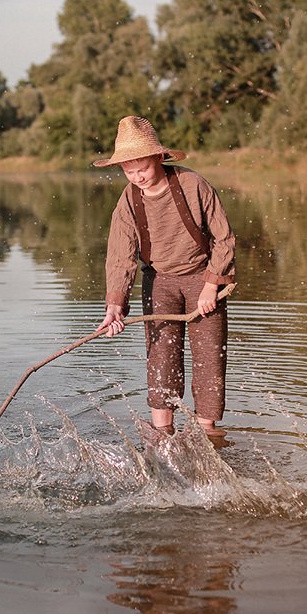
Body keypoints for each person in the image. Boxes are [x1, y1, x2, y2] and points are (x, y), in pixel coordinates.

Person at [94, 116, 236, 438]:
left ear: (160, 157)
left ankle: (208, 436)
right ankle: (162, 434)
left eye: (141, 167)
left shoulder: (192, 184)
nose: (136, 176)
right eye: (128, 171)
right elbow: (121, 257)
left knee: (209, 359)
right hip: (158, 283)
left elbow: (224, 239)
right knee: (161, 357)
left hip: (202, 279)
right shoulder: (129, 200)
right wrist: (115, 306)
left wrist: (212, 286)